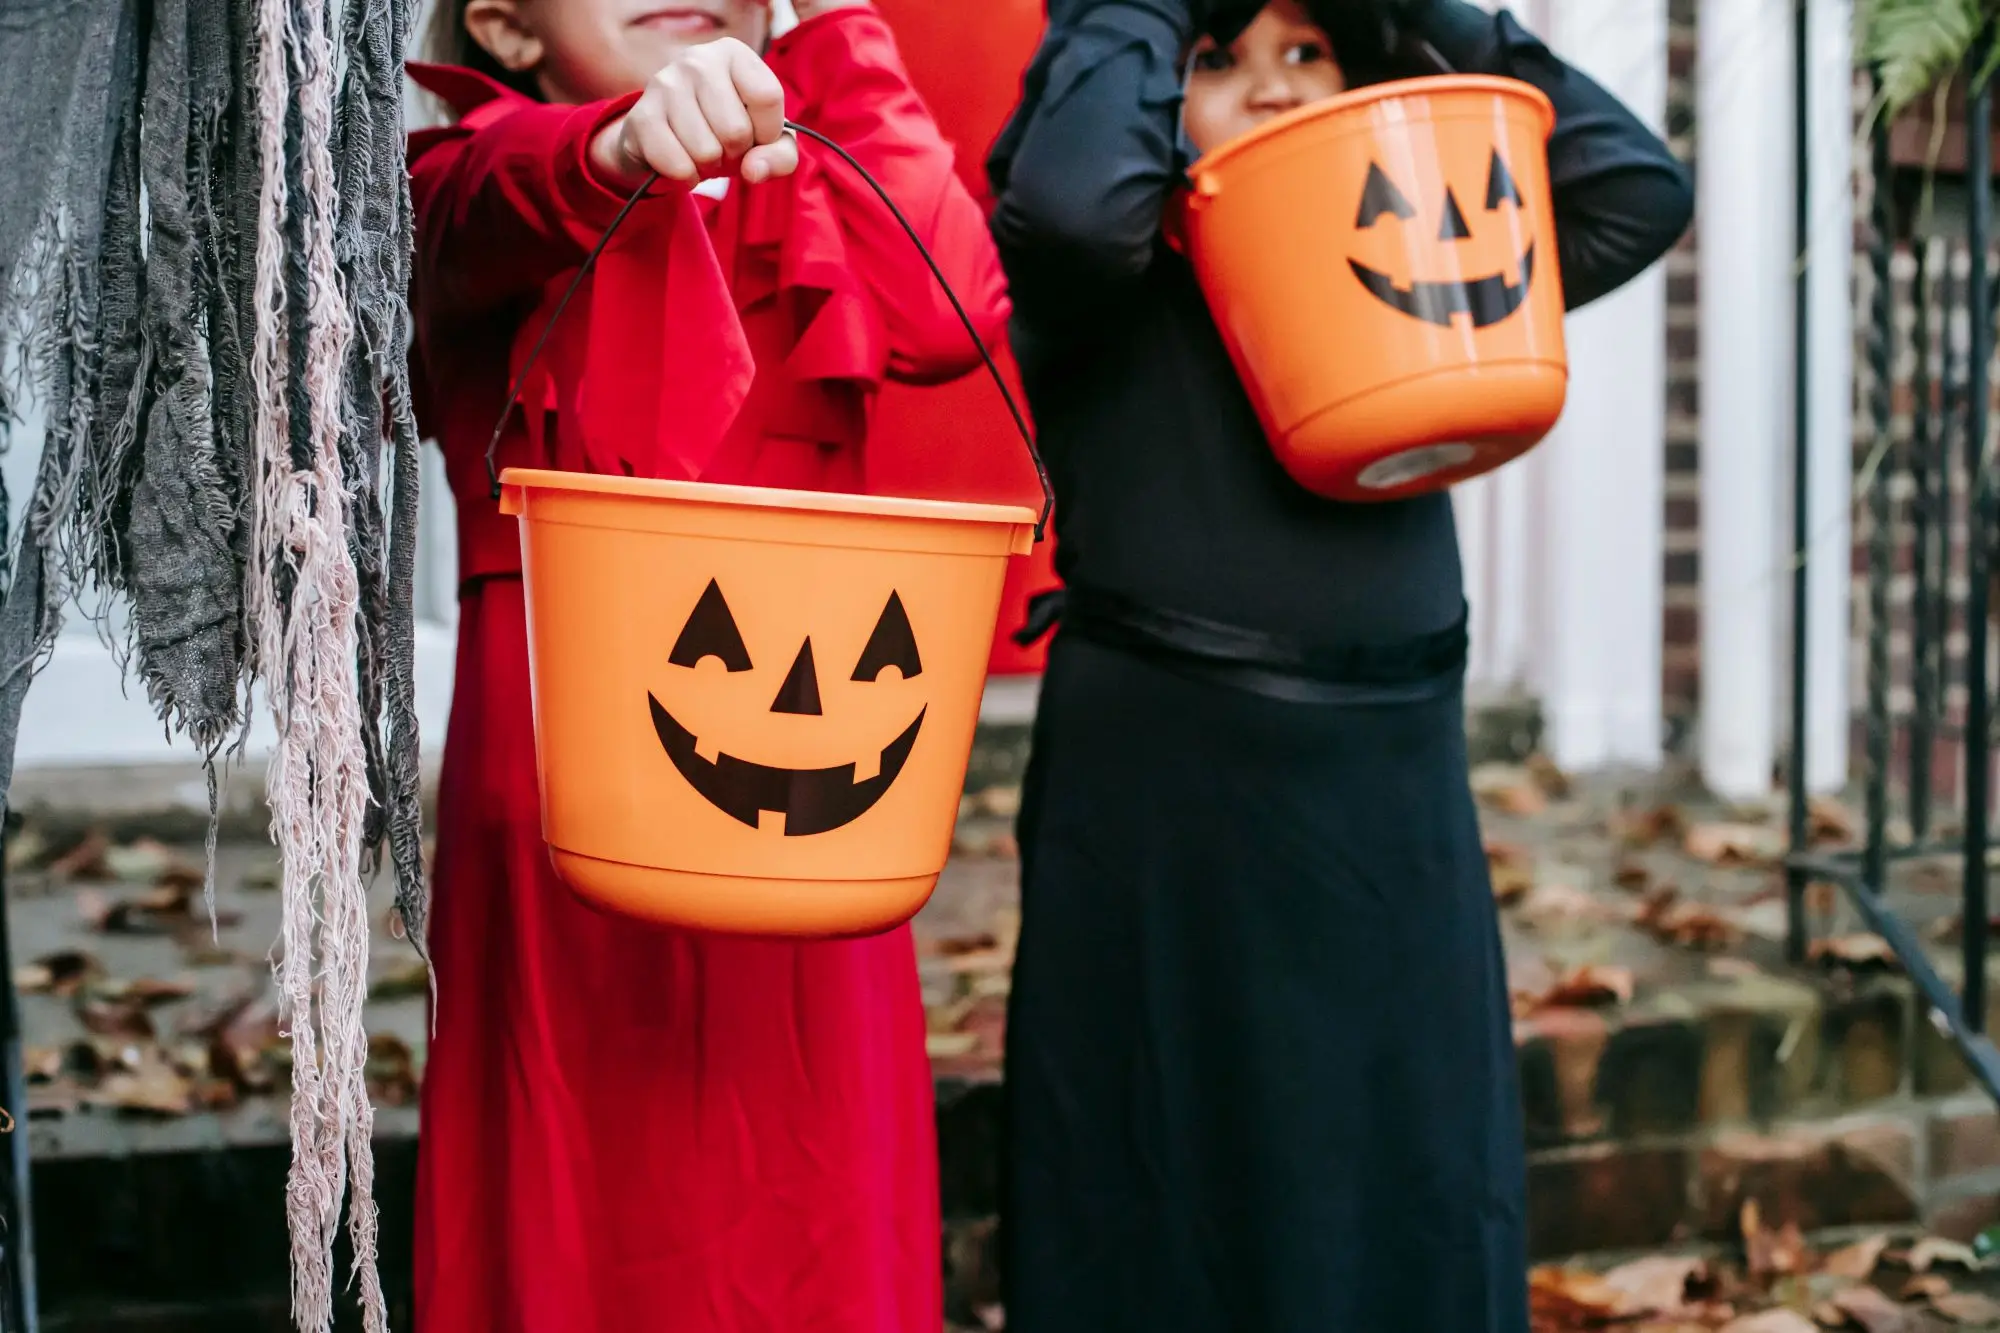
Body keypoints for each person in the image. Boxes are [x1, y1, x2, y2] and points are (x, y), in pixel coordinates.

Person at [986, 2, 1693, 1330]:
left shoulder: (1414, 268)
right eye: (1217, 62)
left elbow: (1632, 194)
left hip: (1389, 789)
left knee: (1401, 1190)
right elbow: (1081, 204)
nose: (1269, 92)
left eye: (1307, 53)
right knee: (1164, 1194)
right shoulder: (1104, 270)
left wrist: (1418, 9)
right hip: (1167, 798)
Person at [405, 2, 1008, 1329]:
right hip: (563, 830)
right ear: (502, 23)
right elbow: (473, 216)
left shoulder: (819, 182)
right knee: (574, 1226)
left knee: (819, 1216)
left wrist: (839, 25)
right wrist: (617, 151)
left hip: (814, 811)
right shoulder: (464, 183)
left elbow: (953, 306)